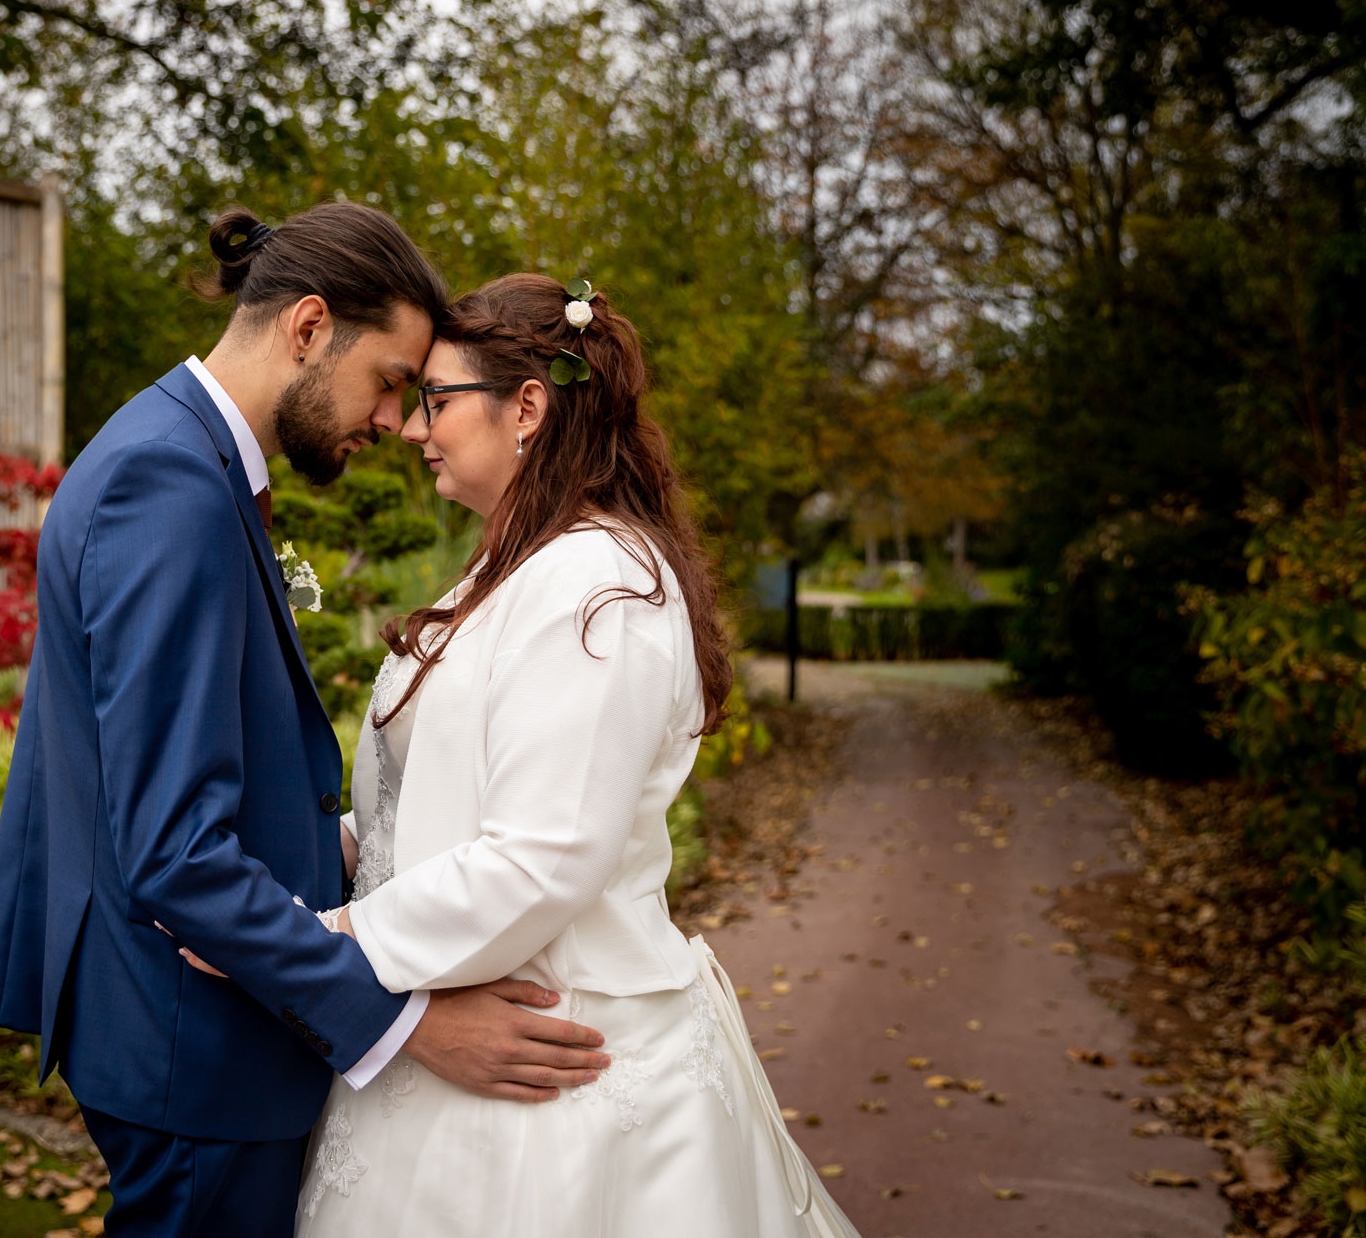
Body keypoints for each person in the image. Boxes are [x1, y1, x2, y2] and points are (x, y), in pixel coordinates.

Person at [0, 207, 612, 1237]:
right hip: (192, 1037)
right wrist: (402, 1022)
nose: (399, 420)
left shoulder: (182, 457)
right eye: (394, 379)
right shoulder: (167, 482)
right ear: (309, 328)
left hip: (190, 1019)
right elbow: (176, 852)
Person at [178, 274, 863, 1235]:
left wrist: (324, 945)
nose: (414, 429)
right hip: (447, 1041)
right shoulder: (513, 572)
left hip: (555, 1073)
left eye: (437, 400)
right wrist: (281, 871)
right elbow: (421, 810)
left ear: (528, 407)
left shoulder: (602, 587)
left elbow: (542, 852)